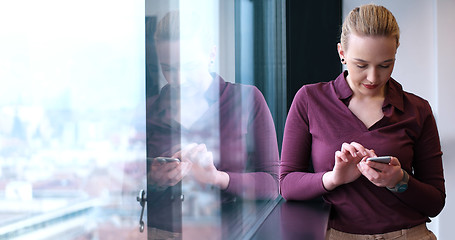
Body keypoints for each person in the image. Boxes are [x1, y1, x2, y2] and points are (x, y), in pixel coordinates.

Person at [280, 4, 445, 239]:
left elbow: (435, 202)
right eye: (361, 65)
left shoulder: (418, 110)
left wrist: (399, 180)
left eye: (385, 65)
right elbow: (287, 185)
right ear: (341, 53)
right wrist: (334, 178)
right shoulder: (310, 100)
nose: (373, 77)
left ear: (396, 53)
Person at [146, 10, 279, 237]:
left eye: (188, 66)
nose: (179, 79)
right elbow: (122, 187)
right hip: (157, 232)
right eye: (168, 68)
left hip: (227, 233)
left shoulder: (247, 100)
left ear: (211, 54)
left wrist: (216, 177)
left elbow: (273, 185)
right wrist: (153, 178)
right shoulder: (149, 110)